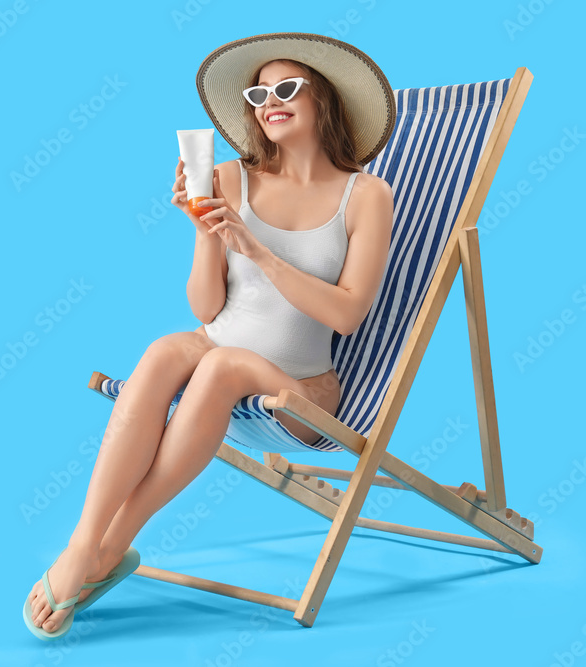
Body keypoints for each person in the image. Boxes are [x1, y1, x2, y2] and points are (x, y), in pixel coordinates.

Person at [24, 32, 395, 639]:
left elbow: (348, 315)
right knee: (169, 346)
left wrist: (258, 249)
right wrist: (204, 233)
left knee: (222, 367)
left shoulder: (366, 195)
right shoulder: (229, 176)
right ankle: (84, 544)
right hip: (216, 345)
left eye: (285, 89)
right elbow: (206, 305)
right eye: (257, 93)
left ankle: (111, 545)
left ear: (322, 97)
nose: (267, 102)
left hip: (299, 391)